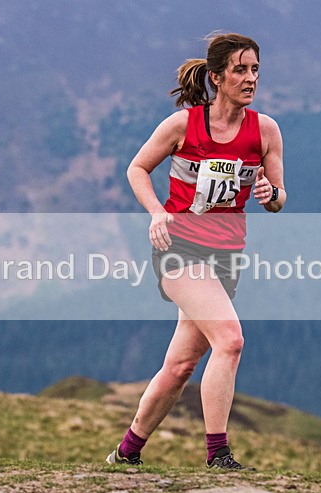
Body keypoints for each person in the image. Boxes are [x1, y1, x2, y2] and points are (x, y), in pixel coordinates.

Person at [106, 32, 285, 470]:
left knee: (181, 363)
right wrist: (155, 212)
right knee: (231, 340)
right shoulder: (184, 125)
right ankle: (218, 454)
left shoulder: (265, 130)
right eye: (240, 70)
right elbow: (137, 168)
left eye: (255, 69)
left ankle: (125, 452)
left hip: (226, 258)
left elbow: (279, 198)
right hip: (179, 250)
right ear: (217, 77)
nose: (250, 78)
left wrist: (269, 191)